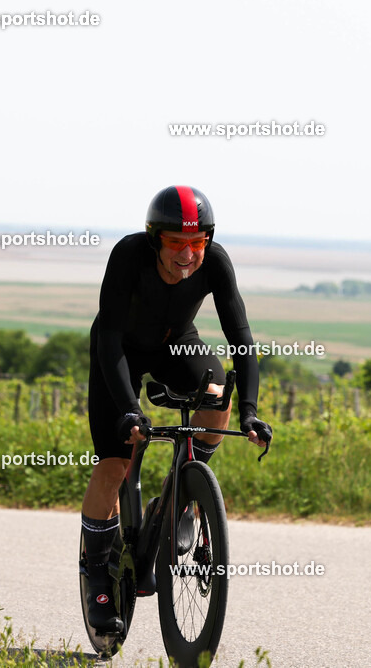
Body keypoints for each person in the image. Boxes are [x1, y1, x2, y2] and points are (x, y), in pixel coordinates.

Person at [81, 185, 273, 634]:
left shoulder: (216, 262)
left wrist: (249, 411)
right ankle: (98, 576)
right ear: (155, 240)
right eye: (175, 243)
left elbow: (241, 338)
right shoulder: (129, 255)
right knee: (115, 462)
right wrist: (129, 409)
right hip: (120, 350)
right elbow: (110, 339)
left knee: (217, 393)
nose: (187, 255)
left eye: (197, 243)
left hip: (176, 344)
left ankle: (181, 498)